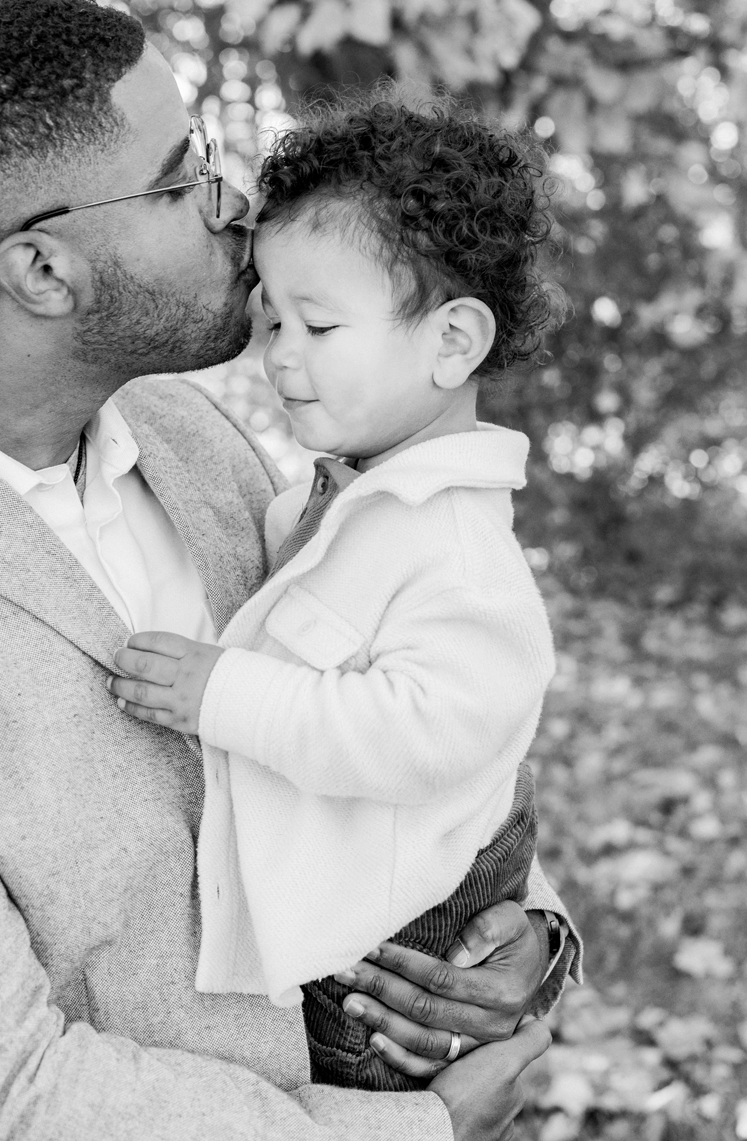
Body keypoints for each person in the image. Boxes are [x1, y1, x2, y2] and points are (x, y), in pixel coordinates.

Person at [0, 0, 572, 1141]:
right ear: (42, 269)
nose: (238, 204)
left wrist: (513, 937)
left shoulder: (186, 433)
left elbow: (409, 690)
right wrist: (418, 1131)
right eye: (183, 179)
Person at [107, 89, 580, 1092]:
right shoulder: (333, 501)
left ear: (453, 342)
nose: (278, 357)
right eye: (271, 319)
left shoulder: (452, 543)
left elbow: (428, 738)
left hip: (377, 973)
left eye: (317, 326)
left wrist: (224, 695)